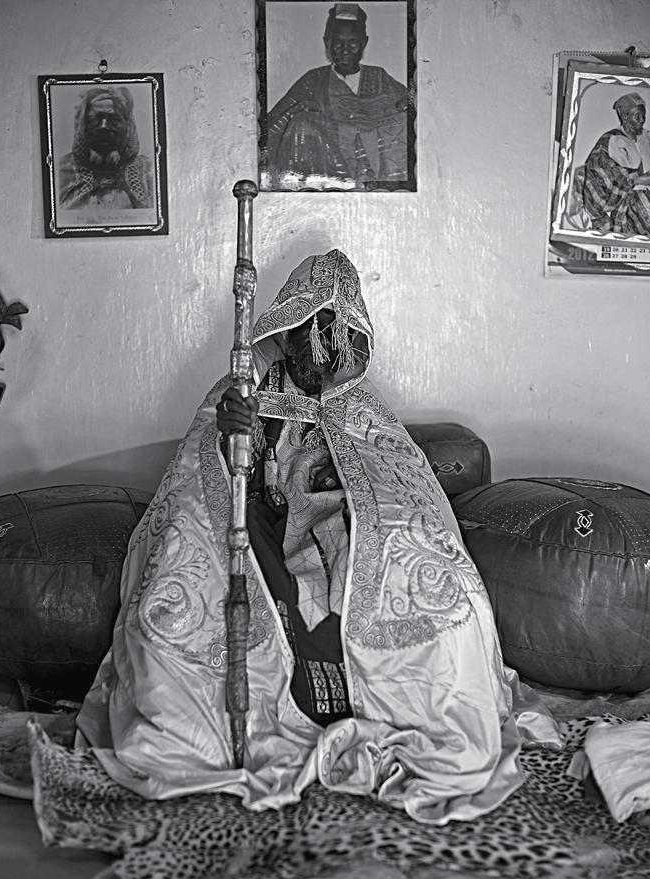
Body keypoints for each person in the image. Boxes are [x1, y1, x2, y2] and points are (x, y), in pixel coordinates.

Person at [76, 248, 559, 824]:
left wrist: (379, 516)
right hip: (261, 515)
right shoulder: (246, 383)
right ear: (290, 326)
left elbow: (401, 481)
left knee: (426, 566)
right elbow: (201, 475)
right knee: (202, 567)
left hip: (344, 522)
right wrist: (233, 435)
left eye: (339, 335)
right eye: (316, 329)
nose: (325, 349)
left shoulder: (364, 407)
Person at [265, 3, 408, 187]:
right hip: (331, 153)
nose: (345, 50)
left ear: (364, 42)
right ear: (327, 42)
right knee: (301, 122)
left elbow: (413, 103)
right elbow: (277, 119)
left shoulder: (379, 75)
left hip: (378, 146)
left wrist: (405, 106)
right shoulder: (315, 79)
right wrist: (307, 109)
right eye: (338, 43)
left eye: (353, 43)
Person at [59, 86, 154, 210]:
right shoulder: (61, 171)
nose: (103, 126)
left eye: (114, 120)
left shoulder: (148, 171)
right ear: (83, 126)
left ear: (128, 126)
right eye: (94, 120)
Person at [582, 91, 650, 234]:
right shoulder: (610, 139)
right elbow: (603, 174)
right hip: (623, 201)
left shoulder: (647, 137)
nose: (642, 120)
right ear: (625, 117)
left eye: (644, 116)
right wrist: (638, 179)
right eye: (637, 116)